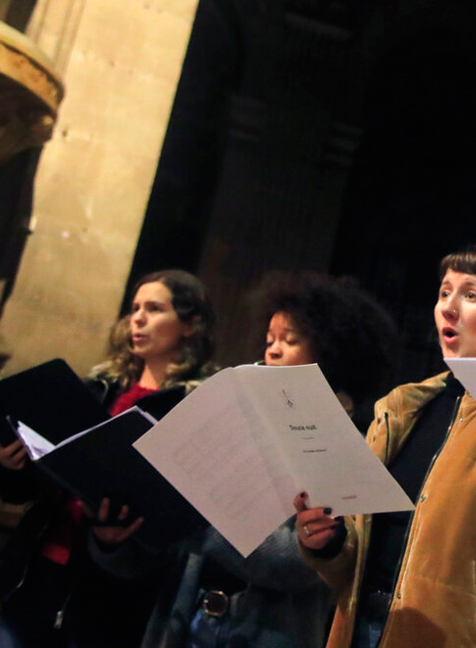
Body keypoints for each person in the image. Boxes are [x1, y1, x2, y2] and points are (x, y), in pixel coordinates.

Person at [295, 244, 476, 648]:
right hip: (359, 631)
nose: (449, 307)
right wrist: (329, 544)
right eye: (444, 292)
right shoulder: (400, 409)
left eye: (470, 295)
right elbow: (356, 564)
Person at [92, 272, 399, 648]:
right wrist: (115, 541)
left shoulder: (346, 443)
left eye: (289, 340)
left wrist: (201, 526)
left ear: (332, 352)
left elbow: (303, 564)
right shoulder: (235, 417)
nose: (272, 350)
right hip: (183, 624)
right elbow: (160, 556)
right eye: (269, 340)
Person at [0, 269, 216, 648]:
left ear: (190, 325)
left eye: (155, 308)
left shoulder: (194, 406)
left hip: (111, 592)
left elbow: (179, 516)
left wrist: (116, 540)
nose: (139, 319)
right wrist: (10, 463)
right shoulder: (97, 388)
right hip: (40, 570)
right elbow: (34, 490)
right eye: (135, 308)